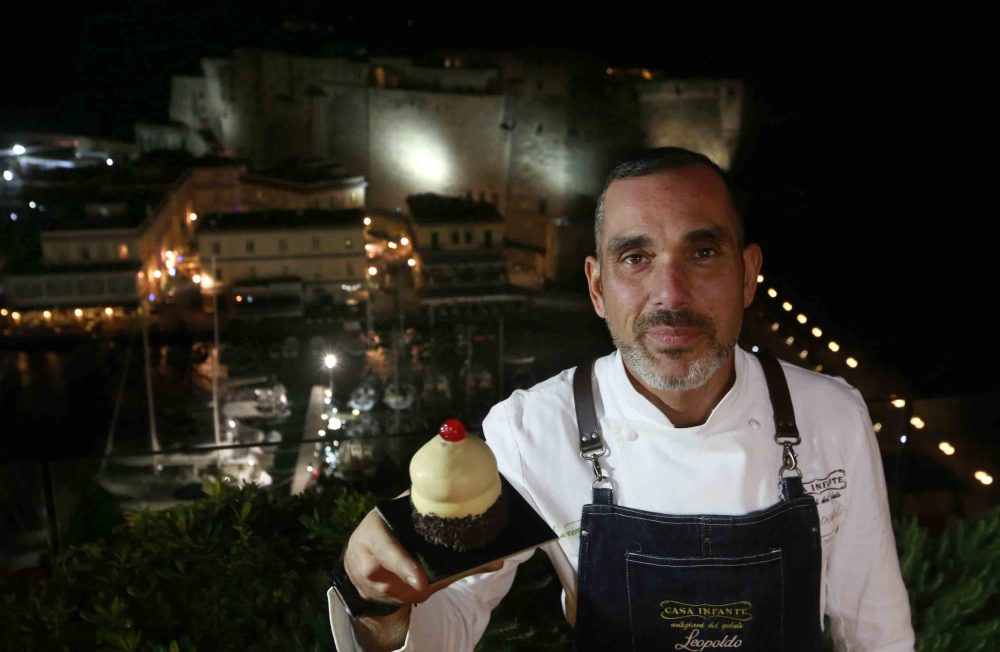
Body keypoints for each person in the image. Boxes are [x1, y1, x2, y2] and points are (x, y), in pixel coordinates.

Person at [328, 147, 916, 651]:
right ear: (597, 287)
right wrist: (379, 603)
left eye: (702, 253)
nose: (670, 294)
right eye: (636, 258)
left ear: (747, 273)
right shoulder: (534, 431)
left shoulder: (831, 416)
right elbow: (451, 622)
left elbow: (877, 631)